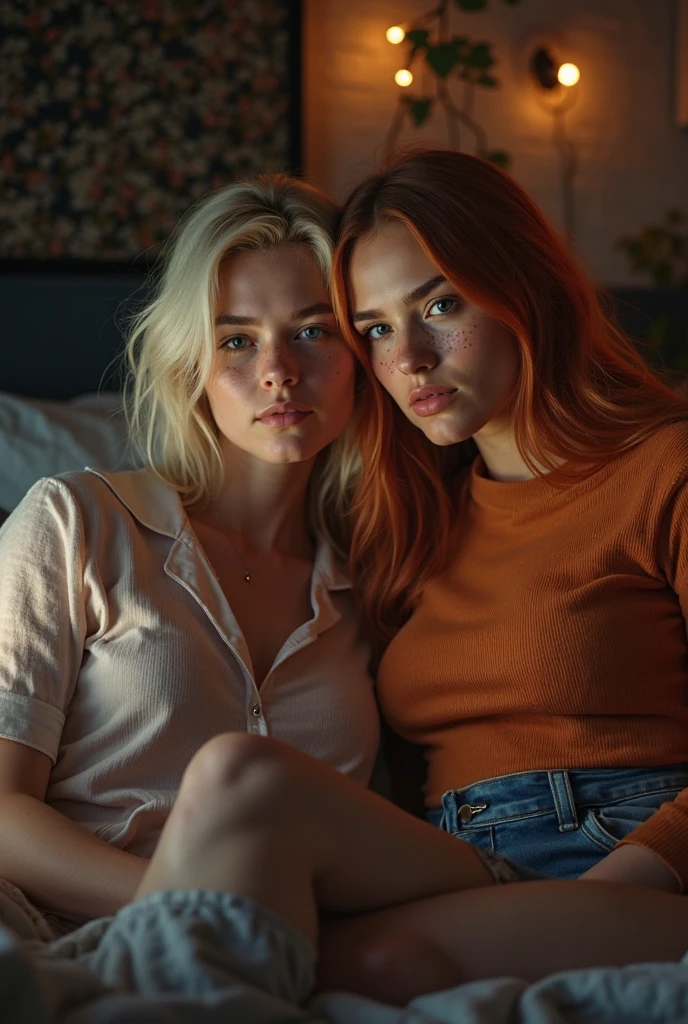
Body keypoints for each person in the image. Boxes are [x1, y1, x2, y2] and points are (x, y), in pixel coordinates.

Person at [0, 173, 386, 938]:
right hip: (68, 928)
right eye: (236, 340)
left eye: (314, 329)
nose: (278, 369)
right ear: (192, 368)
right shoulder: (77, 522)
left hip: (292, 955)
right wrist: (189, 911)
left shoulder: (370, 581)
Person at [332, 146, 688, 892]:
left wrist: (615, 896)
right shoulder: (415, 518)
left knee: (367, 958)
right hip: (455, 865)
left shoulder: (664, 468)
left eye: (439, 305)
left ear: (520, 286)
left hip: (622, 854)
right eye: (375, 330)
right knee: (250, 793)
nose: (411, 359)